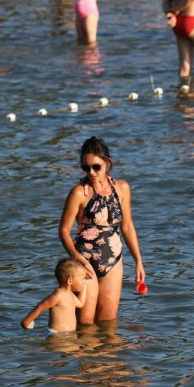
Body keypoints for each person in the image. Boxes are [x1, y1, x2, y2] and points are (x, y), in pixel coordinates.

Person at [58, 136, 145, 325]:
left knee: (107, 323)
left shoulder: (121, 188)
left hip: (113, 261)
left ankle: (107, 355)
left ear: (108, 163)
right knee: (86, 325)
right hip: (84, 264)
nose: (91, 172)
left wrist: (138, 260)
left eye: (96, 167)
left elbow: (127, 225)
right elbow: (63, 231)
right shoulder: (79, 192)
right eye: (85, 168)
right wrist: (78, 258)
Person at [20, 257, 91, 333]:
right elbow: (40, 307)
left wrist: (85, 285)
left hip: (68, 335)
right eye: (82, 279)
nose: (83, 282)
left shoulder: (70, 294)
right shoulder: (58, 295)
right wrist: (27, 321)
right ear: (69, 281)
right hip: (56, 334)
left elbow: (80, 304)